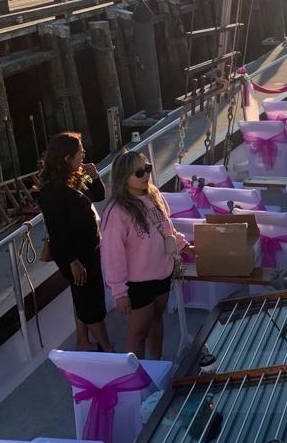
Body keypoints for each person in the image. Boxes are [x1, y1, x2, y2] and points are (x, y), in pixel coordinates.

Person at [100, 150, 189, 358]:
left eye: (147, 168)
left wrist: (181, 244)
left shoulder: (153, 194)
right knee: (138, 332)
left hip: (162, 274)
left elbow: (166, 229)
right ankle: (136, 383)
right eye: (138, 173)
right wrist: (120, 293)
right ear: (124, 177)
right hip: (137, 284)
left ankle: (156, 367)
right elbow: (113, 256)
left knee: (157, 320)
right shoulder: (116, 212)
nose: (146, 175)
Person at [34, 132, 114, 352]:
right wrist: (73, 262)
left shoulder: (75, 177)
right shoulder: (52, 191)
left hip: (88, 250)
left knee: (83, 297)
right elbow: (57, 231)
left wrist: (95, 175)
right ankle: (107, 348)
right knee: (92, 301)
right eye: (81, 152)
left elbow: (98, 195)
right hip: (76, 256)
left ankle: (83, 340)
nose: (84, 156)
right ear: (67, 158)